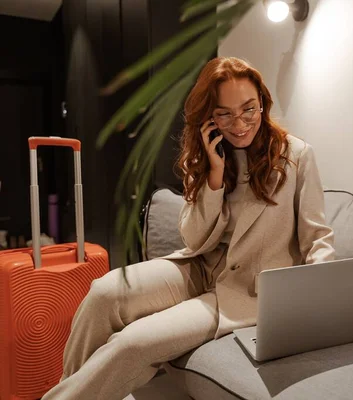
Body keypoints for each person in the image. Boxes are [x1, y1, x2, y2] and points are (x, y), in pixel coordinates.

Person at [41, 56, 335, 400]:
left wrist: (317, 301)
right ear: (210, 116)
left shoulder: (296, 156)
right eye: (224, 113)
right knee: (103, 293)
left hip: (247, 292)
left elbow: (318, 238)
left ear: (263, 104)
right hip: (198, 267)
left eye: (249, 109)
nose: (239, 123)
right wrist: (213, 176)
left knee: (132, 343)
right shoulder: (207, 153)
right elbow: (193, 238)